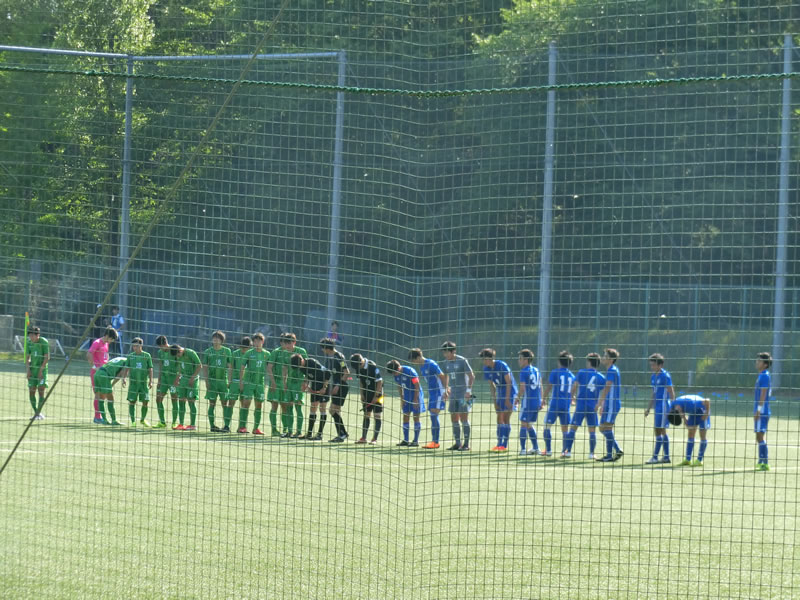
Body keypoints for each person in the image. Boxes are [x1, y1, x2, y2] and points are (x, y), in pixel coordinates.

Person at [562, 353, 606, 459]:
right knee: (592, 430)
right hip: (592, 406)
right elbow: (604, 394)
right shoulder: (601, 377)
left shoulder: (582, 372)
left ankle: (567, 452)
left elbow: (574, 387)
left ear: (589, 362)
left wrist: (571, 397)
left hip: (581, 405)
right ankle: (591, 453)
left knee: (573, 428)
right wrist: (602, 406)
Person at [480, 348, 518, 452]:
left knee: (505, 417)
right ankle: (499, 443)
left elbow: (509, 382)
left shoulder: (502, 365)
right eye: (482, 359)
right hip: (500, 391)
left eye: (485, 359)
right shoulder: (486, 368)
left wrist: (507, 399)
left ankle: (504, 444)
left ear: (491, 358)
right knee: (499, 417)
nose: (483, 361)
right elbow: (492, 385)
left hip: (510, 391)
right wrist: (494, 401)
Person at [409, 348, 448, 449]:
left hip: (438, 392)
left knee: (434, 414)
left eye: (414, 360)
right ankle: (434, 441)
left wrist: (445, 390)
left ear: (418, 357)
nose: (414, 363)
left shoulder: (431, 364)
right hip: (432, 393)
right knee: (432, 415)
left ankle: (435, 442)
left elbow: (442, 376)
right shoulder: (422, 366)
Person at [440, 341, 475, 451]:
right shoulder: (445, 363)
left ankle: (466, 445)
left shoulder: (462, 360)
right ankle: (457, 443)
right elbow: (446, 376)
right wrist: (445, 389)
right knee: (454, 419)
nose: (445, 355)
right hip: (453, 394)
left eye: (447, 352)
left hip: (465, 394)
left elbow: (471, 376)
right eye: (444, 352)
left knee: (464, 418)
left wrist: (468, 391)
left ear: (453, 351)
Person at [541, 350, 575, 457]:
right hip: (566, 405)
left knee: (547, 426)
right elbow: (572, 391)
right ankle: (565, 451)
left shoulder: (555, 372)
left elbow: (549, 387)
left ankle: (548, 450)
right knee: (565, 429)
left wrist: (543, 398)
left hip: (555, 404)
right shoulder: (572, 376)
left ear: (559, 361)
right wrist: (572, 398)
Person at [644, 353, 675, 464]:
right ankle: (666, 457)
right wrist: (648, 408)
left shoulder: (665, 376)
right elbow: (654, 393)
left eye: (653, 365)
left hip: (663, 407)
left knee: (658, 430)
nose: (652, 367)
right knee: (661, 430)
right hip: (657, 407)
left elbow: (671, 391)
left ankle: (655, 457)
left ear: (660, 365)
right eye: (651, 365)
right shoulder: (653, 376)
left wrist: (673, 408)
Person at [386, 359, 425, 447]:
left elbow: (417, 385)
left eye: (395, 372)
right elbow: (399, 385)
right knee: (405, 417)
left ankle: (415, 441)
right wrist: (402, 398)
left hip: (416, 396)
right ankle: (406, 440)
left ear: (399, 368)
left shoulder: (410, 371)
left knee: (416, 417)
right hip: (406, 397)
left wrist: (415, 399)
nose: (394, 374)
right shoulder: (395, 374)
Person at [293, 353, 331, 440]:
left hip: (324, 385)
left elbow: (328, 374)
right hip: (315, 385)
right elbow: (308, 376)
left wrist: (324, 388)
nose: (299, 367)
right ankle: (309, 433)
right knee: (313, 408)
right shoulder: (301, 367)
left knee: (322, 408)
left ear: (302, 360)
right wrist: (305, 383)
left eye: (299, 365)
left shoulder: (312, 363)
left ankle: (319, 434)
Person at [238, 332, 270, 435]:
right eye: (255, 341)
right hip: (249, 382)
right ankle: (242, 427)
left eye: (259, 341)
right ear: (253, 342)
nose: (257, 343)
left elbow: (270, 368)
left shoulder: (267, 354)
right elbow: (242, 367)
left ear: (263, 342)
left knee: (259, 405)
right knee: (246, 403)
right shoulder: (249, 353)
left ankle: (256, 428)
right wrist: (241, 381)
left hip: (260, 383)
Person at [349, 353, 384, 444]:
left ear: (361, 362)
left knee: (377, 415)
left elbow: (379, 382)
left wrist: (376, 396)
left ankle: (374, 439)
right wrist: (362, 394)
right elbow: (361, 381)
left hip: (378, 394)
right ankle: (363, 438)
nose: (358, 369)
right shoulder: (358, 367)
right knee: (366, 415)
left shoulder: (373, 367)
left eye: (358, 366)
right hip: (367, 393)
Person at [596, 348, 624, 462]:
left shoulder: (612, 370)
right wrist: (603, 405)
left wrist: (599, 402)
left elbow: (607, 387)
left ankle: (612, 453)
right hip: (609, 404)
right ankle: (613, 452)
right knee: (604, 428)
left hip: (612, 404)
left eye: (605, 356)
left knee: (604, 428)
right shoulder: (611, 370)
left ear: (611, 360)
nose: (603, 358)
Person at [668, 395, 711, 466]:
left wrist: (706, 413)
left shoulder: (693, 403)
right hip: (693, 413)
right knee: (690, 435)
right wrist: (685, 419)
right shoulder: (673, 406)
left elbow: (707, 401)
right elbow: (679, 412)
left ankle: (699, 460)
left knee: (702, 436)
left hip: (702, 411)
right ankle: (688, 460)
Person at [120, 337, 154, 427]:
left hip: (143, 383)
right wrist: (124, 378)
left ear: (141, 345)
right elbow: (127, 368)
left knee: (145, 402)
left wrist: (151, 381)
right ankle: (133, 421)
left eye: (136, 346)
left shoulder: (147, 355)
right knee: (132, 402)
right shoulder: (130, 356)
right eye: (133, 346)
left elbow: (150, 368)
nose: (134, 348)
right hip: (133, 384)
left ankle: (142, 419)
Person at [203, 330, 232, 432]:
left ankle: (226, 426)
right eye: (214, 338)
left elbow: (230, 367)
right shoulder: (208, 352)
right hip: (212, 382)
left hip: (223, 382)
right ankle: (212, 426)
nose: (215, 340)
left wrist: (229, 380)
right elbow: (205, 367)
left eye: (218, 339)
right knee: (212, 404)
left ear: (221, 340)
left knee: (225, 404)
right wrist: (206, 381)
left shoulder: (227, 351)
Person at [322, 337, 350, 442]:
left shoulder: (339, 357)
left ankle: (343, 434)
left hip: (341, 387)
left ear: (326, 348)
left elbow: (346, 372)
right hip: (335, 387)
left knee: (332, 410)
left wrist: (338, 385)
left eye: (323, 348)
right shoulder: (329, 357)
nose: (322, 350)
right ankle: (341, 434)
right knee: (336, 411)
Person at [87, 327, 117, 423]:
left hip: (104, 373)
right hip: (96, 373)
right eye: (111, 339)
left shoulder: (106, 344)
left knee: (103, 395)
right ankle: (97, 417)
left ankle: (101, 416)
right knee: (98, 394)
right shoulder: (97, 342)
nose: (111, 341)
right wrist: (94, 366)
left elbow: (105, 356)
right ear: (107, 336)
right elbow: (89, 354)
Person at [171, 343, 202, 431]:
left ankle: (193, 425)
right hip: (183, 380)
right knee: (181, 401)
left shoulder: (191, 353)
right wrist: (177, 378)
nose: (178, 357)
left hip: (192, 380)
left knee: (191, 401)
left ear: (180, 351)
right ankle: (181, 424)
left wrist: (192, 378)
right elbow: (180, 367)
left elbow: (199, 365)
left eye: (178, 355)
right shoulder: (178, 356)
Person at [283, 333, 308, 438]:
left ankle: (298, 431)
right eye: (286, 343)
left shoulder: (301, 351)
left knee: (298, 407)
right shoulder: (284, 353)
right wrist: (284, 382)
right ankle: (289, 431)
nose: (287, 345)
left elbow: (307, 367)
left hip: (298, 384)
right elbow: (284, 368)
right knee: (288, 407)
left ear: (294, 342)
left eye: (289, 343)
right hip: (289, 384)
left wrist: (305, 382)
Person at [224, 337, 251, 433]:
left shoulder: (251, 354)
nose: (243, 349)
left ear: (249, 347)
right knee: (231, 403)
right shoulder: (235, 354)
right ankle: (226, 426)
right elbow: (230, 368)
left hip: (246, 383)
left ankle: (242, 427)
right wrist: (229, 380)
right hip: (235, 381)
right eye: (242, 347)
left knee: (244, 404)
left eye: (245, 348)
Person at [517, 349, 541, 456]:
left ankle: (523, 450)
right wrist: (542, 400)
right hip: (536, 401)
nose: (519, 360)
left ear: (526, 360)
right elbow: (540, 385)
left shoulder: (524, 371)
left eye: (520, 358)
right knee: (529, 425)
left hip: (528, 402)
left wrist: (517, 397)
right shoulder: (536, 370)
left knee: (523, 424)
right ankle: (536, 448)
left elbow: (522, 388)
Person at [93, 355, 128, 426]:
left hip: (97, 374)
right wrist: (112, 385)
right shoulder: (127, 362)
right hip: (104, 376)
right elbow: (119, 375)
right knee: (110, 399)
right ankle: (114, 420)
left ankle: (104, 420)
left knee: (101, 399)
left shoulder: (120, 358)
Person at [154, 335, 179, 429]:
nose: (160, 348)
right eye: (159, 347)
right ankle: (162, 422)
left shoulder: (174, 350)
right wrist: (159, 380)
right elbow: (161, 365)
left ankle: (174, 422)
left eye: (161, 346)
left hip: (173, 380)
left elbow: (179, 364)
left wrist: (177, 378)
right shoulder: (160, 352)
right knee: (158, 399)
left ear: (165, 343)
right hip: (164, 379)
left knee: (174, 399)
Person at [25, 326, 50, 421]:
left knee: (41, 390)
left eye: (32, 336)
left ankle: (38, 413)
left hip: (42, 370)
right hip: (33, 370)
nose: (31, 338)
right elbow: (27, 358)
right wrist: (28, 370)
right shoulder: (29, 343)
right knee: (31, 391)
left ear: (37, 335)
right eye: (30, 335)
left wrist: (41, 371)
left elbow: (47, 358)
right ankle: (37, 413)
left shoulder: (44, 342)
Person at [754, 352, 772, 471]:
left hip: (763, 411)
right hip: (761, 410)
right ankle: (761, 461)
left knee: (760, 436)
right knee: (758, 436)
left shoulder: (764, 376)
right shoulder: (762, 375)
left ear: (765, 364)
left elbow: (763, 394)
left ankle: (765, 463)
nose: (757, 362)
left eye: (760, 360)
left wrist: (759, 410)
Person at [266, 334, 286, 436]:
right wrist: (273, 382)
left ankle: (286, 430)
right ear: (281, 342)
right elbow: (269, 367)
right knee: (274, 406)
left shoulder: (291, 352)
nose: (286, 344)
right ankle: (274, 430)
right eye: (284, 342)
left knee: (285, 406)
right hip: (276, 382)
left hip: (286, 384)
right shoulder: (275, 352)